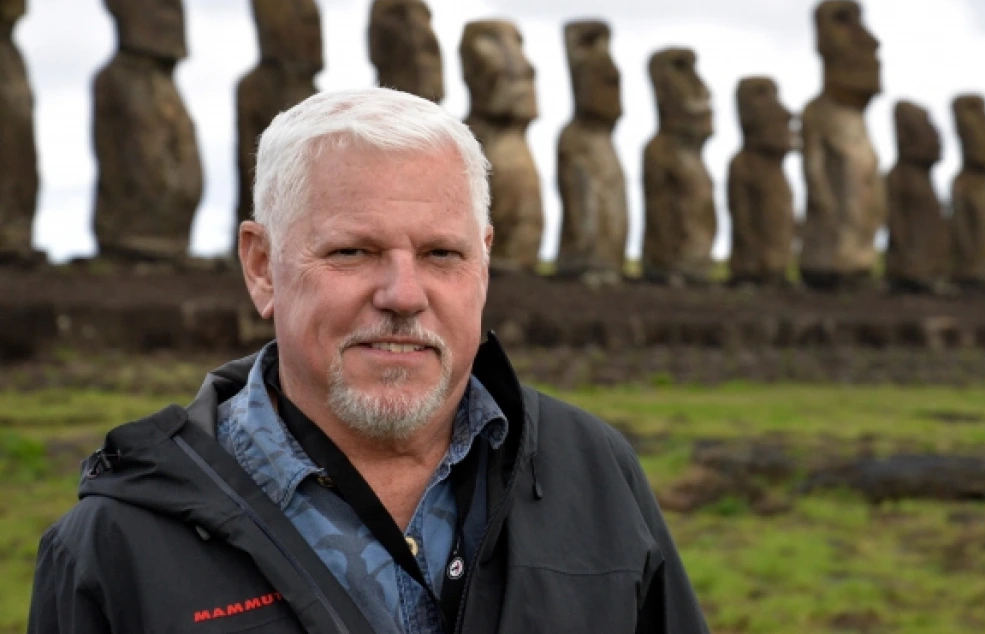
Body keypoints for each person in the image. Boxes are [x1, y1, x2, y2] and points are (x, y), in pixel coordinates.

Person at [27, 88, 709, 634]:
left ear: (486, 260)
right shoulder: (115, 547)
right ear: (261, 267)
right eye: (352, 252)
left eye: (443, 254)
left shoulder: (594, 470)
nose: (403, 296)